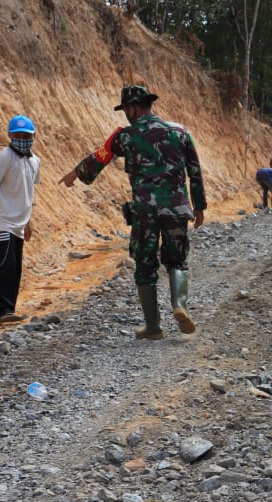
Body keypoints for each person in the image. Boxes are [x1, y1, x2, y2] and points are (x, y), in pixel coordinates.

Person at [60, 85, 205, 340]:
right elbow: (194, 171)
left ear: (134, 107)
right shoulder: (182, 132)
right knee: (177, 259)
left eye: (126, 109)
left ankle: (153, 327)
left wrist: (75, 173)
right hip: (177, 207)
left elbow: (100, 157)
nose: (126, 113)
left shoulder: (125, 136)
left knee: (145, 262)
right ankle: (179, 304)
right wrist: (200, 206)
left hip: (144, 210)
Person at [0, 115, 40, 324]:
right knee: (5, 266)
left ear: (34, 136)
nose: (22, 138)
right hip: (2, 222)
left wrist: (28, 222)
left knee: (15, 269)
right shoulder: (4, 158)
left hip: (19, 226)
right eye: (18, 135)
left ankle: (8, 310)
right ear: (10, 135)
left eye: (27, 135)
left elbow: (29, 193)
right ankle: (4, 311)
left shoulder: (34, 161)